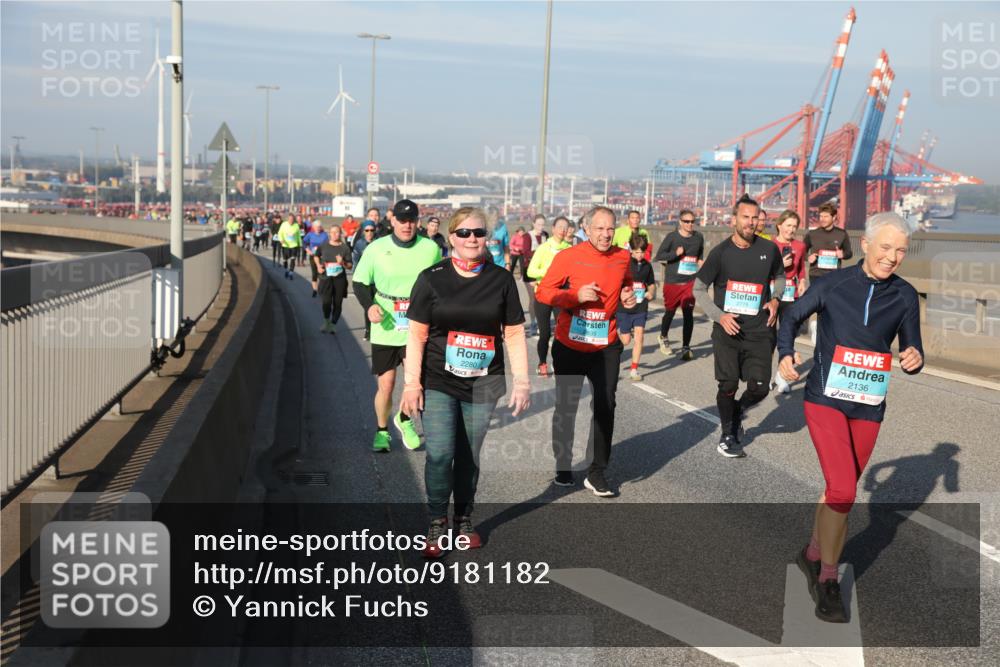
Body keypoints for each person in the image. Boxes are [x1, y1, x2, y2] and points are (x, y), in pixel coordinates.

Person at [778, 211, 922, 623]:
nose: (893, 257)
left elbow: (913, 346)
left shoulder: (905, 296)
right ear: (865, 245)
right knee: (843, 489)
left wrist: (915, 357)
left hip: (868, 407)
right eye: (886, 247)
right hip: (825, 398)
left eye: (901, 251)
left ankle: (811, 553)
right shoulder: (832, 284)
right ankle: (827, 580)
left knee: (837, 489)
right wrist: (786, 352)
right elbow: (791, 316)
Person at [401, 207, 530, 558]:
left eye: (479, 232)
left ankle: (463, 517)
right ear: (451, 237)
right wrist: (412, 384)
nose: (472, 238)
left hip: (484, 382)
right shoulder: (432, 278)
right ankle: (436, 520)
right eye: (464, 233)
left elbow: (515, 333)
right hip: (439, 379)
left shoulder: (501, 280)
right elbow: (416, 334)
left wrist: (522, 383)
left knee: (469, 454)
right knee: (441, 453)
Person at [536, 206, 637, 497]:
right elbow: (543, 292)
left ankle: (597, 471)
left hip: (605, 345)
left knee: (606, 405)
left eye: (610, 229)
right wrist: (574, 296)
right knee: (566, 407)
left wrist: (628, 297)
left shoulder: (622, 256)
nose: (606, 234)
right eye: (599, 229)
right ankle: (563, 464)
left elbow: (627, 285)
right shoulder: (568, 256)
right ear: (587, 229)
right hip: (570, 344)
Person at [693, 193, 785, 458]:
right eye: (746, 217)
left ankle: (737, 411)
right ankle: (727, 433)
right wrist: (719, 315)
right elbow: (699, 289)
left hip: (760, 331)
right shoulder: (720, 253)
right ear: (734, 219)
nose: (751, 222)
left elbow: (780, 276)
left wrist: (776, 299)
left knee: (759, 387)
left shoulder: (769, 250)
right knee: (728, 385)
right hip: (727, 332)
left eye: (755, 217)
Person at [353, 199, 442, 451]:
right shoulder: (376, 248)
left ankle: (404, 418)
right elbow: (359, 283)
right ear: (392, 221)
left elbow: (439, 283)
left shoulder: (430, 248)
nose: (407, 225)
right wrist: (370, 305)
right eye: (402, 220)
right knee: (387, 384)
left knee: (416, 381)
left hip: (417, 322)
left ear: (418, 221)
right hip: (387, 322)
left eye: (412, 220)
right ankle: (382, 432)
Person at [654, 209, 705, 360]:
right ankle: (663, 336)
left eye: (692, 222)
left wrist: (701, 262)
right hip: (673, 282)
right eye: (686, 221)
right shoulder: (672, 237)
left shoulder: (698, 237)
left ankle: (685, 347)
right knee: (669, 312)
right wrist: (675, 254)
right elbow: (659, 256)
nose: (690, 224)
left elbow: (699, 254)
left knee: (688, 314)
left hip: (690, 282)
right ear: (680, 222)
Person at [525, 216, 572, 377]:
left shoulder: (569, 249)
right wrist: (549, 274)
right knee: (545, 333)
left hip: (560, 295)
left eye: (565, 227)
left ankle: (558, 363)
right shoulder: (543, 248)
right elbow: (531, 271)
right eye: (559, 227)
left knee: (561, 333)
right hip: (543, 294)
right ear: (553, 229)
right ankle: (542, 363)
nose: (562, 230)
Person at [770, 210, 808, 392]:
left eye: (794, 226)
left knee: (787, 336)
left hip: (791, 295)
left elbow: (801, 268)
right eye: (788, 225)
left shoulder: (800, 246)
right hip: (772, 294)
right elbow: (763, 271)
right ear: (779, 225)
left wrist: (802, 281)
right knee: (768, 337)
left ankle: (781, 375)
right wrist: (780, 266)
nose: (791, 230)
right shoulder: (769, 245)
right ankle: (765, 375)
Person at [618, 233, 657, 381]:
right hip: (624, 307)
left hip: (641, 306)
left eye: (642, 251)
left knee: (639, 336)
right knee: (626, 340)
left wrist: (651, 293)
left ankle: (634, 369)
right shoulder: (625, 264)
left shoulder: (647, 266)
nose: (640, 255)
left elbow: (652, 283)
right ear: (631, 250)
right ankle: (613, 337)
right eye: (637, 251)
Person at [314, 224, 352, 333]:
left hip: (339, 279)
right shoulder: (324, 245)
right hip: (326, 278)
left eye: (337, 232)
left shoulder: (344, 248)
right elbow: (316, 255)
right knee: (326, 302)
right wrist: (318, 266)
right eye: (333, 232)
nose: (335, 234)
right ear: (329, 234)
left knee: (337, 303)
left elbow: (350, 266)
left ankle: (333, 324)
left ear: (340, 233)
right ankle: (326, 322)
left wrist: (342, 263)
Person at [522, 216, 549, 335]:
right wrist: (540, 252)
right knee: (533, 298)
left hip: (543, 271)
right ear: (533, 224)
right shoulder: (527, 236)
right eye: (538, 224)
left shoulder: (546, 235)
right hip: (529, 270)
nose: (541, 227)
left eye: (543, 225)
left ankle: (540, 322)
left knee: (541, 298)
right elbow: (526, 252)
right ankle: (533, 322)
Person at [303, 221, 330, 298]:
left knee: (321, 273)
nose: (318, 228)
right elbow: (304, 242)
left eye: (319, 226)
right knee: (314, 273)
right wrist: (308, 250)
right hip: (313, 255)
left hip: (322, 256)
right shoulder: (310, 234)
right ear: (313, 227)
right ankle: (315, 289)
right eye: (316, 227)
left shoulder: (324, 235)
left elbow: (328, 244)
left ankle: (321, 289)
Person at [277, 214, 302, 280]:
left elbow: (298, 235)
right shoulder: (284, 224)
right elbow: (280, 233)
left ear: (294, 220)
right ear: (288, 219)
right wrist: (281, 240)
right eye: (290, 219)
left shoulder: (296, 225)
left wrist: (300, 244)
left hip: (294, 245)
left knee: (293, 259)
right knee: (285, 260)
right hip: (285, 245)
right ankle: (286, 270)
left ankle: (291, 273)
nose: (291, 221)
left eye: (292, 219)